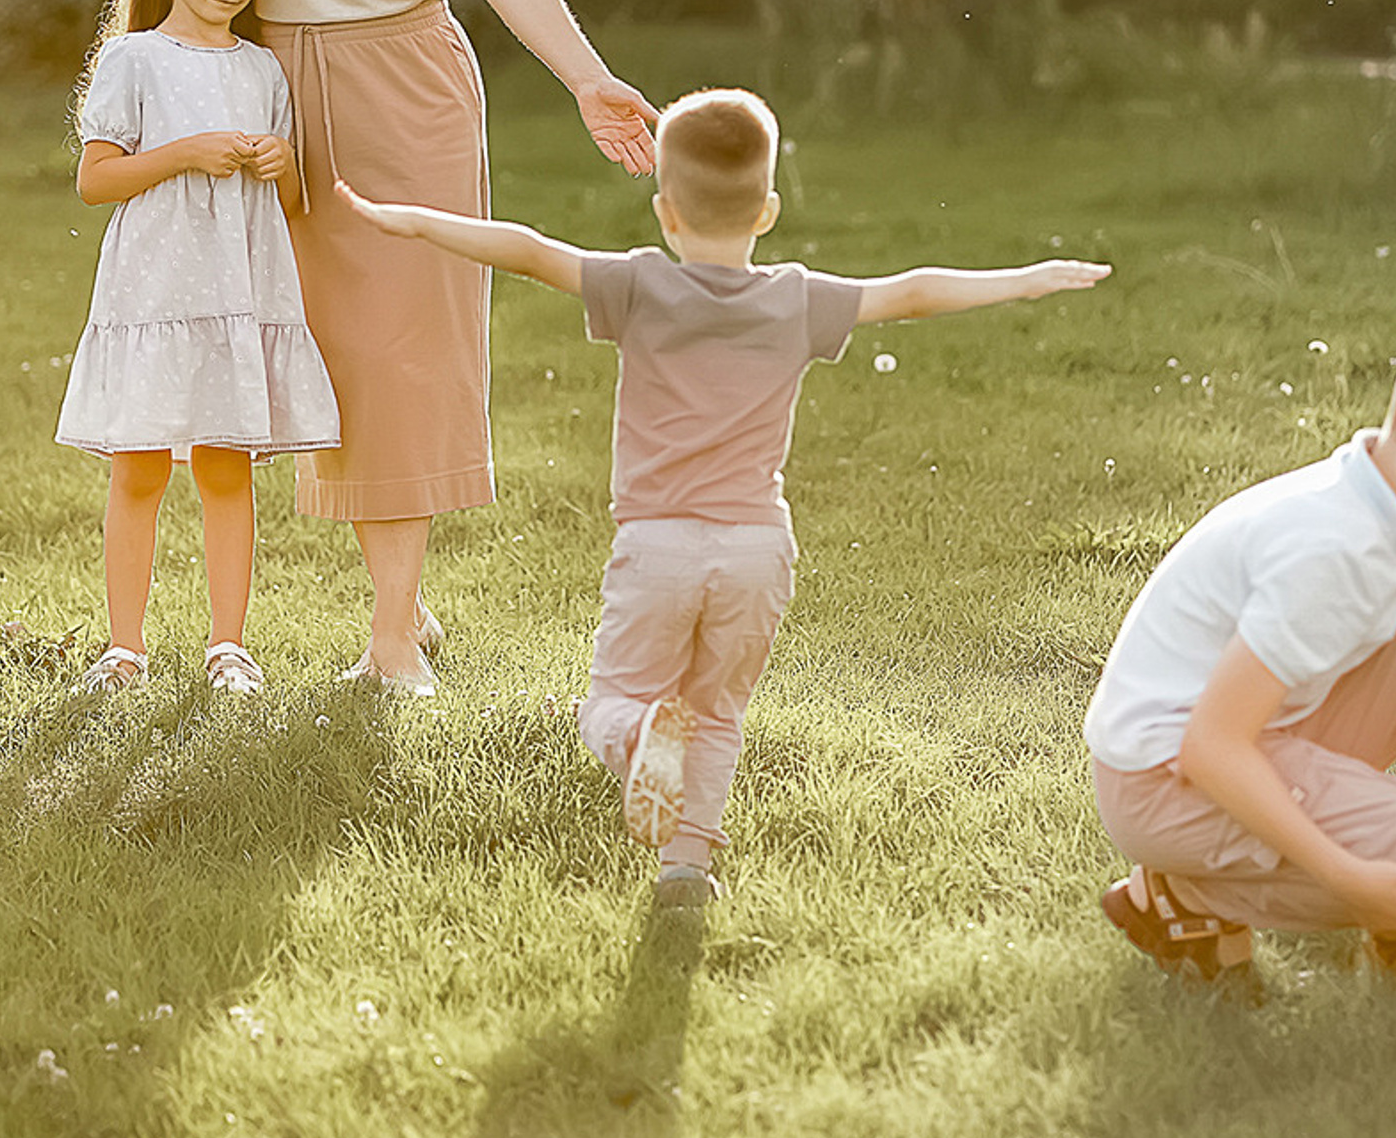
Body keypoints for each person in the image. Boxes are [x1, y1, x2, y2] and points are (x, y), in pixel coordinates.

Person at [336, 86, 1109, 905]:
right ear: (767, 210)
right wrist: (1030, 278)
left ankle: (640, 741)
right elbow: (912, 290)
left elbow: (527, 249)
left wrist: (413, 220)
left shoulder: (638, 286)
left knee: (614, 707)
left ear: (666, 212)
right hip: (756, 551)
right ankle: (687, 869)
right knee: (716, 713)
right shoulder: (798, 298)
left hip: (659, 547)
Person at [186, 0, 660, 692]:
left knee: (405, 350)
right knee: (339, 353)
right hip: (278, 92)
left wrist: (589, 81)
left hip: (407, 84)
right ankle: (407, 599)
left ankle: (392, 641)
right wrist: (173, 87)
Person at [1087, 303, 1396, 993]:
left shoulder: (1373, 510)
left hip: (1250, 734)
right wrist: (1350, 878)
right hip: (1167, 784)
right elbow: (1212, 743)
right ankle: (1181, 896)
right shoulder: (1336, 548)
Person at [57, 0, 341, 695]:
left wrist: (283, 167)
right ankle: (124, 648)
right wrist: (186, 151)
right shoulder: (135, 56)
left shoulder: (262, 69)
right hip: (154, 290)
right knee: (138, 466)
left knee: (226, 466)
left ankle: (229, 646)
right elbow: (97, 180)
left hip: (235, 294)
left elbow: (287, 205)